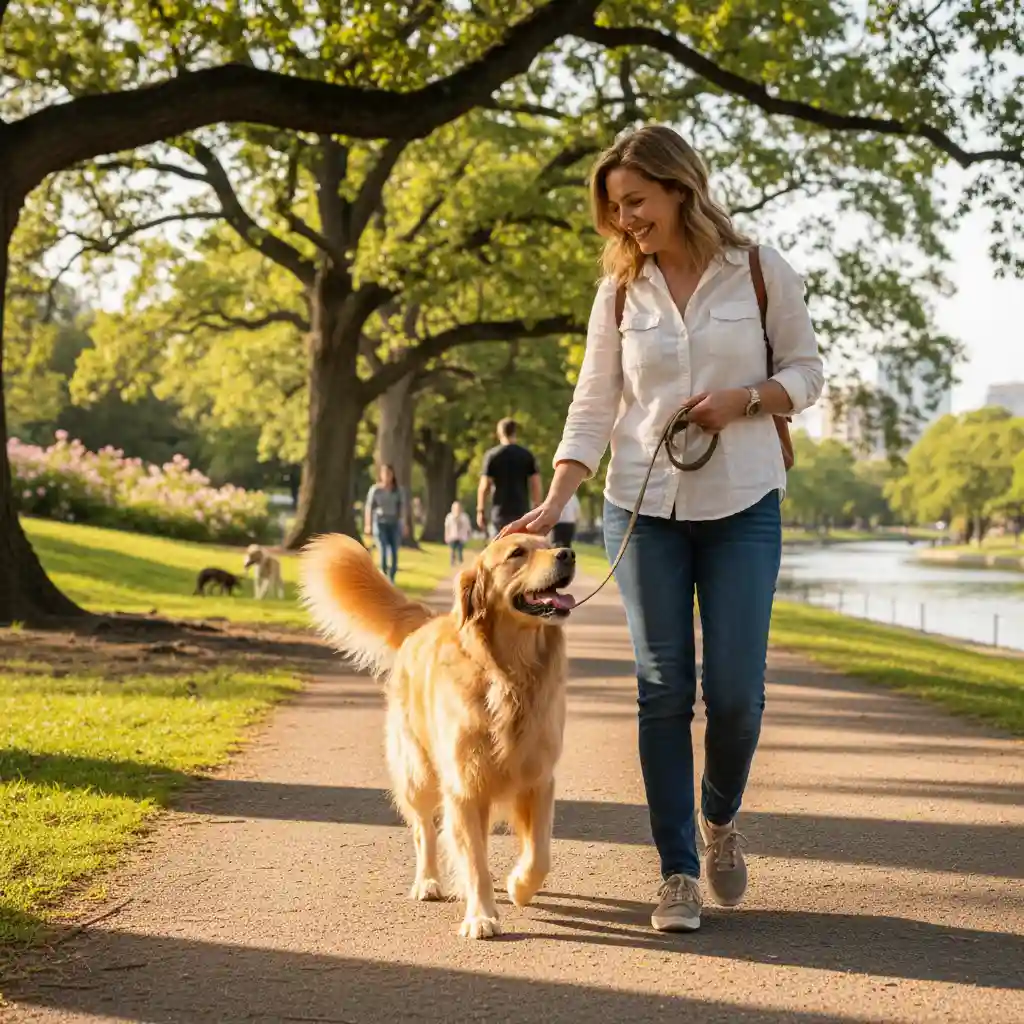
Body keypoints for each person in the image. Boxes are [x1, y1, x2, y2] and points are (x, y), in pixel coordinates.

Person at [499, 125, 824, 933]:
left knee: (738, 696)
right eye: (616, 209)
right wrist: (557, 501)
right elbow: (594, 402)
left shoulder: (756, 269)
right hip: (643, 512)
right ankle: (677, 870)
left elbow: (809, 375)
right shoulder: (619, 292)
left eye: (636, 202)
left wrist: (744, 400)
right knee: (662, 689)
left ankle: (720, 818)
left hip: (744, 503)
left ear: (680, 188)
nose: (626, 221)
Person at [476, 418, 542, 538]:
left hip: (500, 511)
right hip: (521, 510)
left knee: (500, 548)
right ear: (515, 432)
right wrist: (536, 507)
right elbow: (535, 483)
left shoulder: (492, 456)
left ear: (499, 433)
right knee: (521, 548)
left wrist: (480, 510)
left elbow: (484, 486)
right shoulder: (526, 455)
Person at [364, 464, 405, 583]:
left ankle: (392, 577)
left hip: (394, 523)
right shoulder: (375, 490)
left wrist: (404, 523)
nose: (387, 476)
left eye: (389, 473)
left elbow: (402, 508)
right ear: (381, 475)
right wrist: (368, 525)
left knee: (394, 551)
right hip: (380, 523)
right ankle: (383, 574)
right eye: (385, 473)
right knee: (382, 547)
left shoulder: (398, 491)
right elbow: (369, 507)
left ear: (393, 475)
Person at [444, 499, 472, 565]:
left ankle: (460, 562)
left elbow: (468, 527)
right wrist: (446, 535)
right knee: (452, 550)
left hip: (461, 537)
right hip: (452, 537)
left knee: (460, 550)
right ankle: (452, 561)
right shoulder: (449, 517)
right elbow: (447, 527)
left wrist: (469, 535)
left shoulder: (464, 517)